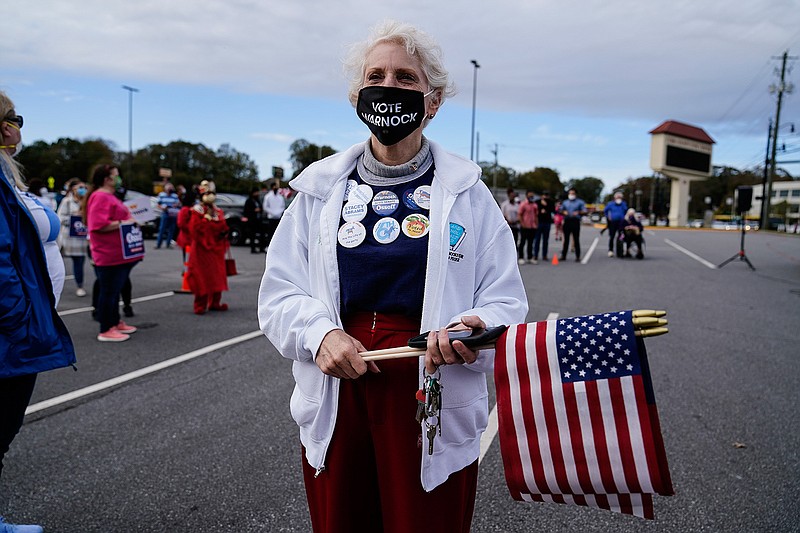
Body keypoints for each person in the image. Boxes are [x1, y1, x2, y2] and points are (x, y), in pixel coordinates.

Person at [258, 20, 527, 533]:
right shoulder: (317, 191)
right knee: (343, 518)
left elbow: (506, 299)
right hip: (339, 375)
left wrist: (473, 327)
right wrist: (320, 336)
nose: (389, 86)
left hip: (432, 375)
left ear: (433, 101)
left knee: (424, 520)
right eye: (376, 75)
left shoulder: (469, 194)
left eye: (406, 78)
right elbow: (279, 293)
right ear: (358, 94)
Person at [1, 90, 76, 533]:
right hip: (12, 334)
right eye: (14, 118)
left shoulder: (8, 178)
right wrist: (19, 320)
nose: (18, 127)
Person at [85, 164, 141, 342]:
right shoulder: (100, 197)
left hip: (118, 253)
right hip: (107, 254)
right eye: (116, 176)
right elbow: (97, 225)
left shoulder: (108, 196)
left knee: (115, 290)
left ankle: (114, 322)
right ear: (107, 179)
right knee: (108, 291)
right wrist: (125, 223)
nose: (119, 179)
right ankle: (105, 328)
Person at [187, 180, 229, 315]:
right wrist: (206, 220)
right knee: (201, 276)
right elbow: (194, 230)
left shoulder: (218, 211)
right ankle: (200, 304)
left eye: (212, 193)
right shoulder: (197, 211)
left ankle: (215, 302)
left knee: (217, 275)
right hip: (201, 249)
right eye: (208, 193)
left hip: (216, 249)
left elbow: (223, 227)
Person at [58, 179, 89, 297]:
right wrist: (74, 217)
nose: (83, 190)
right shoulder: (67, 202)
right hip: (69, 238)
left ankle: (79, 286)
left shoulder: (88, 202)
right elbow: (60, 218)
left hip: (82, 238)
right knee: (60, 261)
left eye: (84, 187)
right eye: (79, 188)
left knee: (79, 262)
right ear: (73, 190)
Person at [559, 188, 586, 262]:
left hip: (575, 221)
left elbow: (584, 211)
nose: (571, 195)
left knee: (576, 239)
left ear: (575, 194)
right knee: (566, 240)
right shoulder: (565, 202)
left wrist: (578, 212)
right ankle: (563, 255)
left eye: (573, 193)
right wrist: (563, 212)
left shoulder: (580, 202)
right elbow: (560, 210)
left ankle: (578, 256)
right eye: (570, 193)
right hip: (567, 221)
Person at [603, 191, 628, 258]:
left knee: (621, 237)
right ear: (614, 198)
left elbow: (626, 211)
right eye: (617, 197)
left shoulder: (623, 204)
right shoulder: (610, 204)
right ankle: (610, 250)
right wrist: (608, 216)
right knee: (612, 236)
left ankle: (620, 251)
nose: (619, 198)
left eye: (620, 197)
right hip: (613, 222)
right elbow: (605, 211)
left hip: (621, 223)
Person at [155, 183, 180, 249]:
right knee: (162, 229)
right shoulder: (161, 195)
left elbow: (178, 203)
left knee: (171, 229)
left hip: (173, 213)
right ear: (166, 189)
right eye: (169, 189)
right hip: (165, 212)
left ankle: (168, 244)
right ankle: (158, 244)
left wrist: (175, 205)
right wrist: (162, 207)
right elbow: (158, 204)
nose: (170, 190)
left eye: (171, 189)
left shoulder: (175, 196)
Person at [533, 190, 555, 263]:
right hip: (539, 222)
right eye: (544, 195)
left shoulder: (550, 202)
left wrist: (546, 206)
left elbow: (553, 210)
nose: (545, 196)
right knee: (537, 239)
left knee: (545, 240)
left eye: (547, 195)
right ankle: (535, 254)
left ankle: (544, 255)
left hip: (547, 222)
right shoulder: (537, 202)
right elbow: (534, 211)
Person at [261, 180, 285, 247]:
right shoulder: (268, 196)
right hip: (271, 217)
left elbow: (282, 206)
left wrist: (278, 213)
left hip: (278, 217)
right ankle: (268, 246)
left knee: (278, 233)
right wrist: (272, 212)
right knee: (270, 233)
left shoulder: (280, 197)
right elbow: (265, 207)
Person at [517, 190, 538, 264]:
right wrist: (522, 224)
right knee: (522, 242)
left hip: (532, 227)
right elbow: (519, 214)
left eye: (532, 196)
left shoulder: (534, 205)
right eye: (530, 196)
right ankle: (521, 257)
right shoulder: (523, 204)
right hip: (525, 226)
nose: (531, 197)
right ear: (527, 196)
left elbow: (536, 215)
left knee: (531, 242)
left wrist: (536, 224)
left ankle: (530, 257)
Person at [243, 186, 264, 253]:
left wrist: (260, 210)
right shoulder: (249, 201)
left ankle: (261, 248)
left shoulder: (258, 200)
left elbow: (261, 208)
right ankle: (253, 248)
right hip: (252, 220)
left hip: (258, 220)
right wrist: (254, 211)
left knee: (261, 234)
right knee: (252, 235)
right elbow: (246, 211)